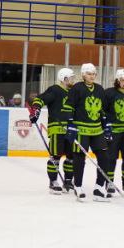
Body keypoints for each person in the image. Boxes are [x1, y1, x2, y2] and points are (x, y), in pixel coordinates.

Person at [69, 62, 114, 202]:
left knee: (105, 157)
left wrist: (106, 125)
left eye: (94, 73)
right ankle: (78, 186)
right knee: (79, 158)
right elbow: (69, 107)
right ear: (83, 75)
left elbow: (102, 110)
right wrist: (70, 125)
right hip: (81, 128)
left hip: (96, 130)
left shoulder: (100, 89)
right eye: (89, 74)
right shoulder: (77, 88)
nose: (92, 76)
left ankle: (99, 188)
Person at [29, 67, 75, 195]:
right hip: (57, 128)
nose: (73, 80)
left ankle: (68, 181)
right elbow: (40, 99)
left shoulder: (74, 92)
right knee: (56, 156)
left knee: (71, 157)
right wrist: (36, 110)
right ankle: (53, 182)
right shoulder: (55, 90)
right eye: (71, 78)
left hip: (71, 128)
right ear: (64, 78)